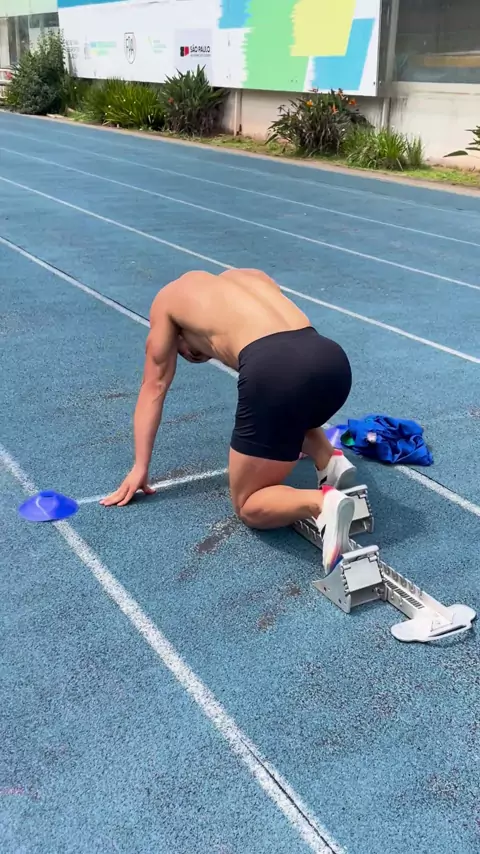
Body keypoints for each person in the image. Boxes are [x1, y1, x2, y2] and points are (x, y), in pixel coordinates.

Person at [101, 268, 356, 573]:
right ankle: (329, 459)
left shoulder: (167, 300)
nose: (194, 357)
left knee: (249, 504)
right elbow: (291, 354)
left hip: (276, 370)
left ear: (179, 334)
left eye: (189, 354)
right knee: (287, 410)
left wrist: (140, 466)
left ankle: (323, 503)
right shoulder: (250, 278)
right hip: (332, 362)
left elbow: (153, 387)